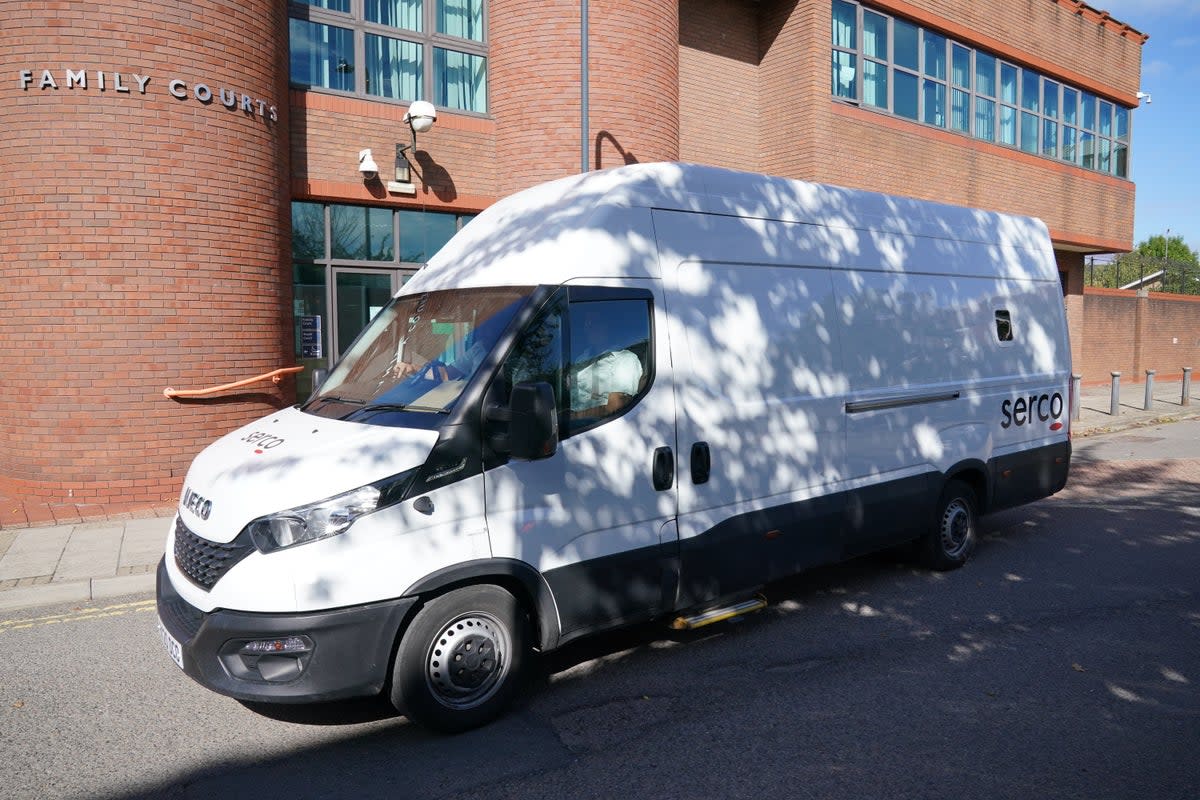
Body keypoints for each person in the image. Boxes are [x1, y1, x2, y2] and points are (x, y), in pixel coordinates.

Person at [568, 311, 644, 415]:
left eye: (593, 322)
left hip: (600, 426)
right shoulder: (580, 359)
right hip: (575, 427)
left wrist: (573, 417)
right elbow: (571, 401)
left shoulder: (625, 359)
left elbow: (616, 406)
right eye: (586, 324)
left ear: (607, 325)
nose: (588, 328)